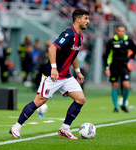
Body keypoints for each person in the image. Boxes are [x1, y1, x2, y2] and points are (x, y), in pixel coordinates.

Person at [9, 8, 90, 139]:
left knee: (80, 99)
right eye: (86, 18)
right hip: (53, 74)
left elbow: (73, 54)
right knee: (40, 101)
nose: (88, 21)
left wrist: (78, 71)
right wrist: (54, 68)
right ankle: (16, 127)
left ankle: (65, 128)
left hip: (66, 75)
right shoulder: (69, 34)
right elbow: (52, 48)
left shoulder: (79, 36)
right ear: (78, 19)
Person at [104, 24, 136, 113]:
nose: (121, 33)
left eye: (123, 31)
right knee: (114, 85)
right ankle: (115, 107)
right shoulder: (111, 41)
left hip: (124, 66)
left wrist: (131, 57)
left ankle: (123, 105)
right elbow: (107, 55)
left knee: (126, 85)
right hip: (114, 66)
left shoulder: (128, 41)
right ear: (117, 31)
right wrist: (107, 67)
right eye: (119, 31)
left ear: (125, 32)